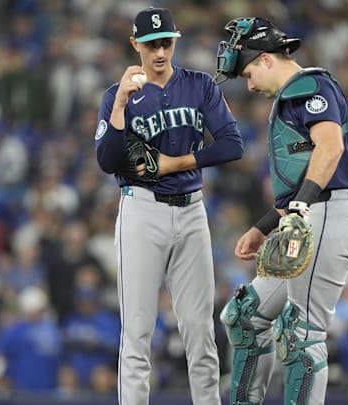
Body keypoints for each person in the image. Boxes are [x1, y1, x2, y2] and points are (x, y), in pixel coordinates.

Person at [215, 17, 348, 405]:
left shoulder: (309, 86)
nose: (249, 83)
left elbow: (330, 147)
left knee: (301, 335)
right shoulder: (294, 95)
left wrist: (299, 208)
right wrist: (265, 225)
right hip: (313, 214)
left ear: (266, 59)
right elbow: (303, 178)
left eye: (249, 72)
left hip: (330, 215)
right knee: (243, 315)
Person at [94, 7, 243, 404]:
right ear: (135, 45)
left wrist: (177, 163)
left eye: (165, 42)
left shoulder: (199, 86)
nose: (159, 51)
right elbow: (108, 162)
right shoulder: (116, 95)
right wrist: (121, 104)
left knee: (200, 331)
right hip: (142, 210)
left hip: (192, 210)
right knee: (138, 331)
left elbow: (232, 144)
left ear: (175, 41)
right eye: (150, 44)